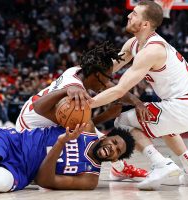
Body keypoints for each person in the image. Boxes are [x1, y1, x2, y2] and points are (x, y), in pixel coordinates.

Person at [90, 0, 188, 190]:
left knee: (123, 122)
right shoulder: (134, 44)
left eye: (135, 14)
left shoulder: (152, 50)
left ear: (145, 24)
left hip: (187, 106)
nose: (129, 15)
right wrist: (85, 72)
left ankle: (160, 164)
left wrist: (88, 104)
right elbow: (109, 69)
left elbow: (120, 90)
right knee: (162, 125)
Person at [0, 88, 135, 194]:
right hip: (10, 141)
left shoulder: (90, 179)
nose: (113, 148)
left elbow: (44, 180)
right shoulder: (86, 127)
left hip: (21, 171)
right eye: (114, 142)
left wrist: (60, 144)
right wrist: (66, 90)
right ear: (106, 136)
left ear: (114, 160)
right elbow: (39, 107)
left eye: (117, 152)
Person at [15, 41, 148, 180]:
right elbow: (81, 127)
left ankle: (119, 168)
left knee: (102, 140)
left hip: (32, 111)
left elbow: (114, 89)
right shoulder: (75, 93)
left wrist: (137, 102)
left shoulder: (77, 70)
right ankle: (119, 168)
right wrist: (107, 115)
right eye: (108, 77)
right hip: (30, 129)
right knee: (96, 144)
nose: (109, 80)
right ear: (96, 74)